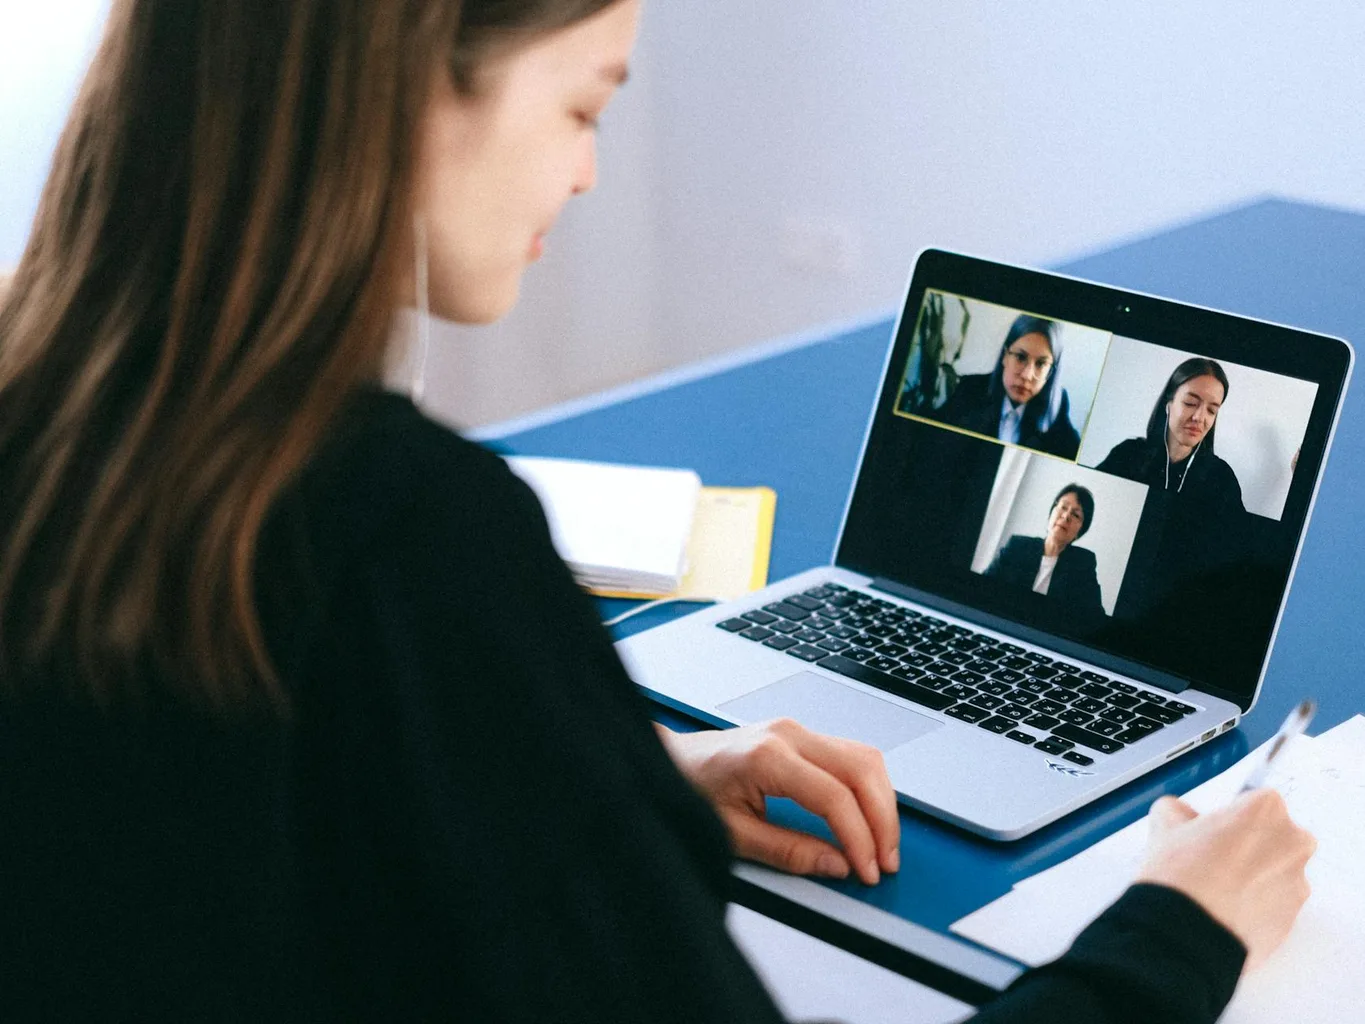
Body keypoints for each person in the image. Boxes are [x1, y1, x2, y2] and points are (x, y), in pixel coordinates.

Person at [0, 1, 1314, 1020]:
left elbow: (213, 807)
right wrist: (1176, 930)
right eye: (582, 109)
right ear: (403, 84)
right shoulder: (414, 537)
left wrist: (605, 774)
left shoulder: (59, 429)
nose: (583, 178)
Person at [1096, 358, 1246, 513]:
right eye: (1190, 403)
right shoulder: (1127, 455)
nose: (1200, 418)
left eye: (1211, 410)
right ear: (1169, 404)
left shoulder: (1221, 478)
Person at [932, 314, 1082, 459]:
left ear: (1050, 373)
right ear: (1005, 356)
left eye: (1041, 364)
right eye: (1020, 357)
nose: (1027, 375)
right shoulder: (971, 389)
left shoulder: (1057, 407)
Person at [985, 484, 1105, 625]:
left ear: (1079, 532)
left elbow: (1095, 618)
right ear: (1051, 513)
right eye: (1063, 507)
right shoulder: (1017, 546)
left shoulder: (1083, 563)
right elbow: (984, 586)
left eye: (1076, 515)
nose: (1066, 516)